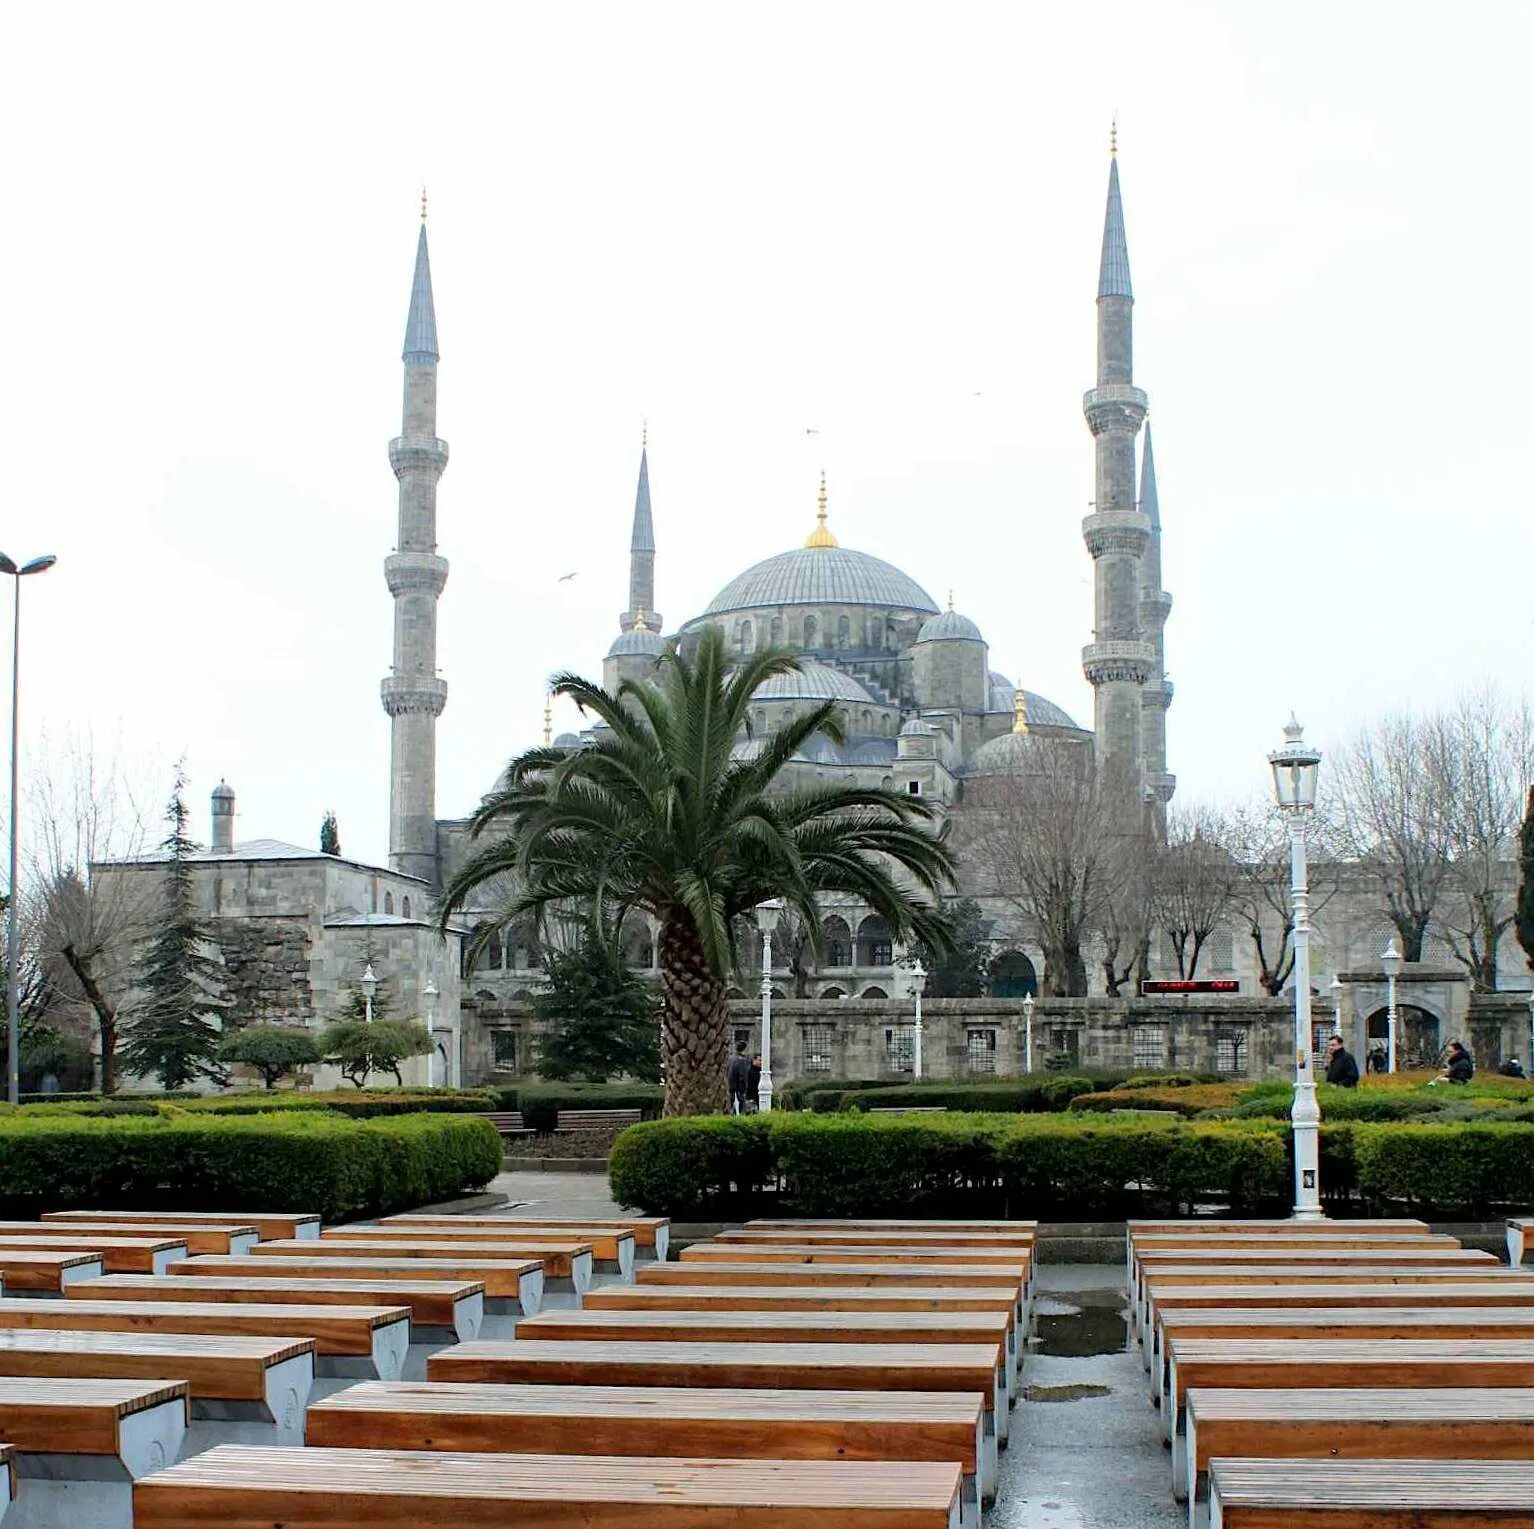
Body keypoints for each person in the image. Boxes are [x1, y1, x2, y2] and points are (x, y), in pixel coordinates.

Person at [726, 1044, 750, 1114]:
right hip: (738, 1089)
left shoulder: (730, 1058)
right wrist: (743, 1089)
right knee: (740, 1110)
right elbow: (742, 1076)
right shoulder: (742, 1060)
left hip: (730, 1088)